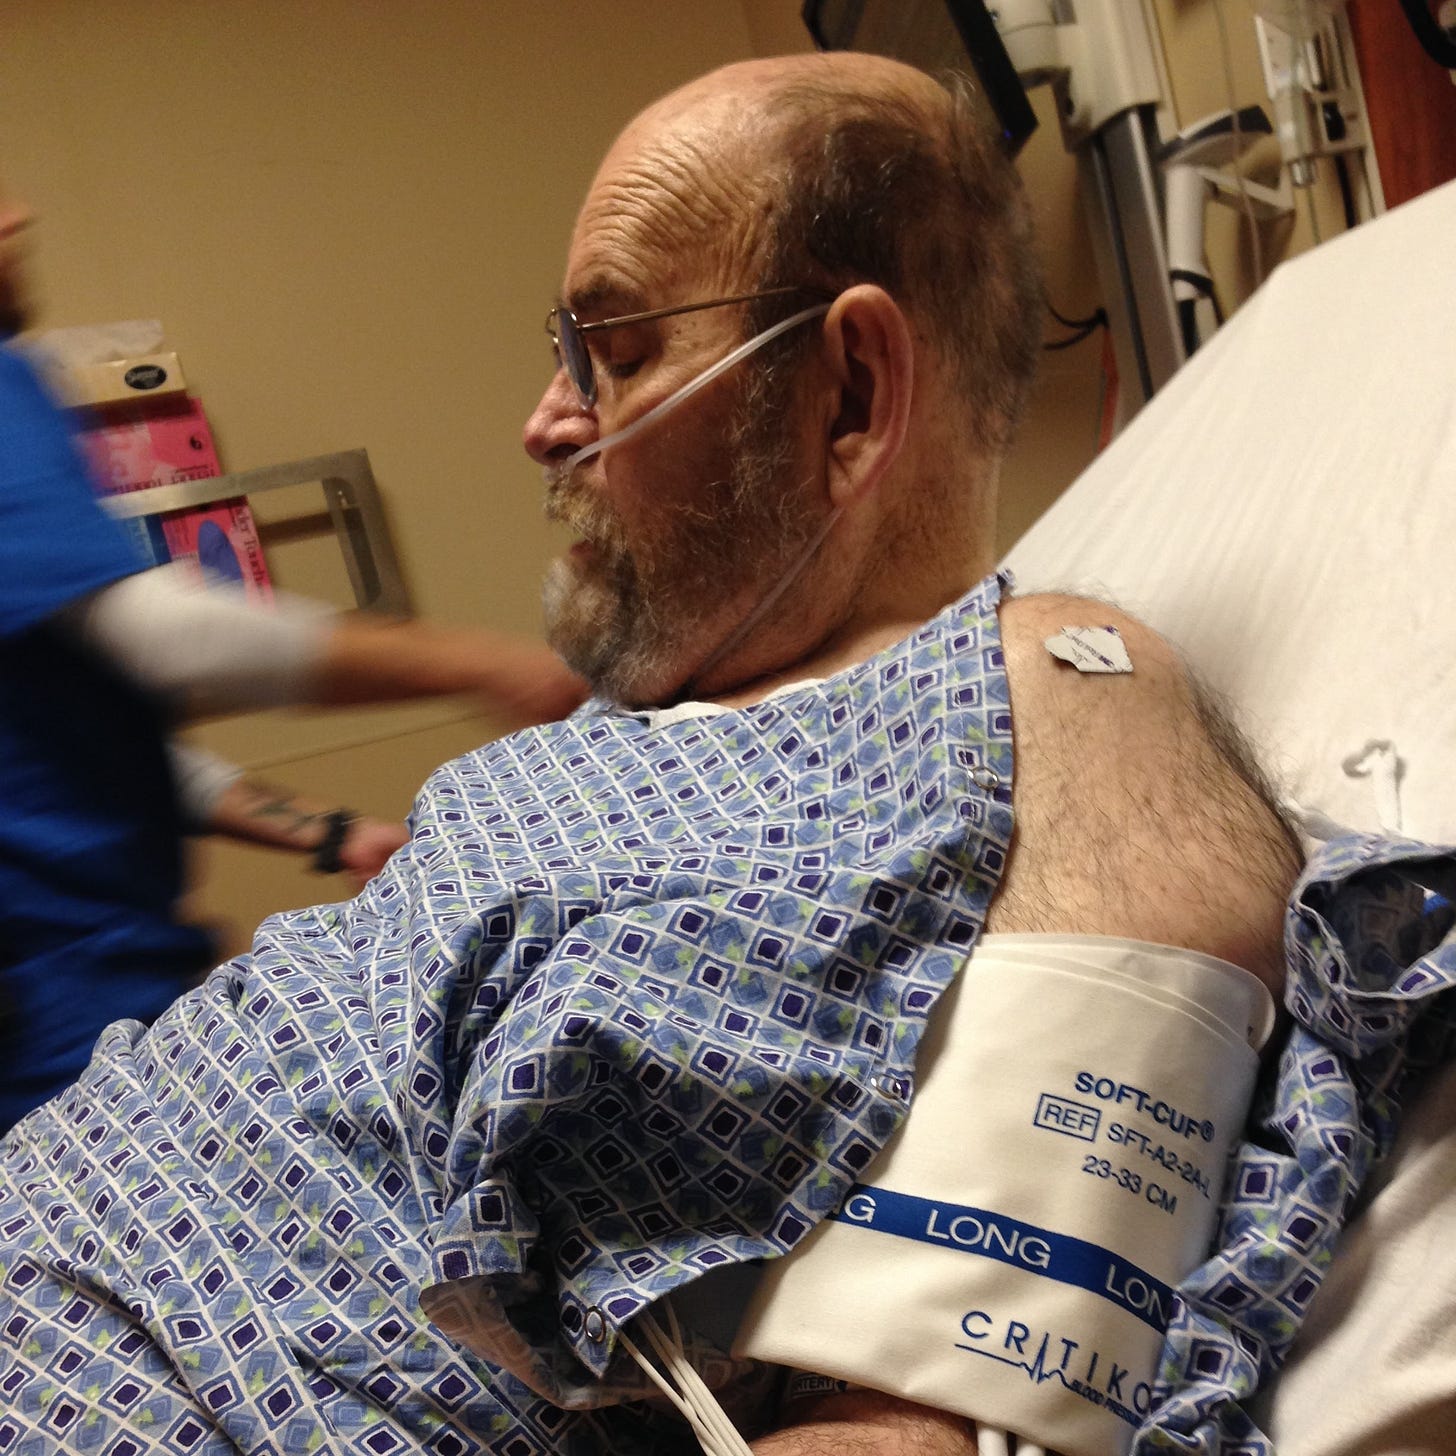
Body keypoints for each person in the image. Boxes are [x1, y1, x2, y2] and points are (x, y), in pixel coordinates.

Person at [3, 50, 1447, 1456]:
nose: (545, 421)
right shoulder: (630, 731)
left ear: (850, 396)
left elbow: (916, 1417)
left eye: (618, 350)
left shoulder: (1053, 680)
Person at [0, 186, 584, 1130]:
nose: (16, 217)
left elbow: (61, 725)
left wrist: (326, 830)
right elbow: (164, 638)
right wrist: (493, 666)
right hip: (65, 1024)